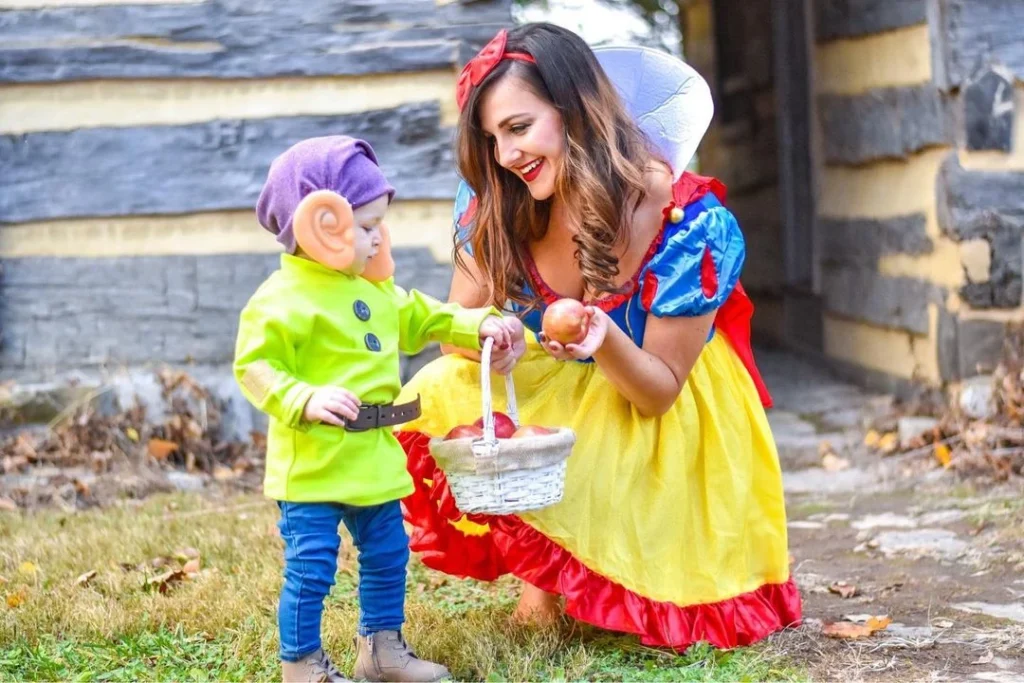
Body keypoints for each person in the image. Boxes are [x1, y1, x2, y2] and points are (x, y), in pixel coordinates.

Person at [394, 23, 802, 651]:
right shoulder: (500, 202)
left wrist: (602, 336)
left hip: (663, 403)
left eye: (518, 128)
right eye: (491, 138)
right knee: (442, 383)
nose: (505, 156)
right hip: (569, 378)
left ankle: (629, 559)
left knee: (615, 417)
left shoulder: (686, 221)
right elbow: (456, 336)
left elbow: (658, 393)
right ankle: (548, 573)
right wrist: (494, 337)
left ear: (575, 109)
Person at [233, 135, 524, 682]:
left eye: (378, 226)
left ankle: (382, 651)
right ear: (322, 223)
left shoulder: (375, 292)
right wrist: (305, 398)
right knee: (312, 567)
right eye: (366, 227)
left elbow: (425, 316)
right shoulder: (279, 298)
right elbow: (254, 367)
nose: (376, 240)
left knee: (389, 554)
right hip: (313, 468)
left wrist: (479, 322)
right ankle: (300, 665)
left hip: (373, 460)